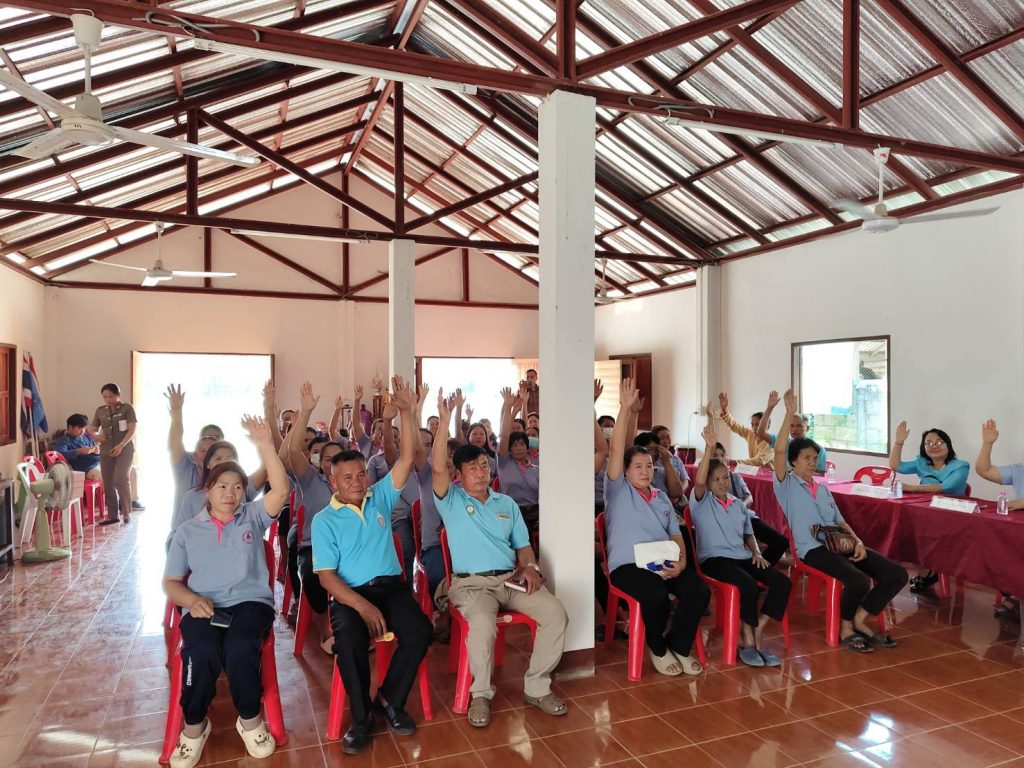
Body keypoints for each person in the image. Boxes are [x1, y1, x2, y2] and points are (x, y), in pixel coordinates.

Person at [431, 388, 568, 728]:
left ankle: (537, 685)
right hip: (472, 585)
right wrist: (445, 421)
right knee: (481, 624)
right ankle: (480, 694)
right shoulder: (451, 500)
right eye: (471, 468)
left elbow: (523, 546)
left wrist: (531, 567)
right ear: (458, 475)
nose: (480, 471)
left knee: (555, 612)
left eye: (483, 465)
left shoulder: (505, 504)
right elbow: (436, 468)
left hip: (510, 580)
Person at [312, 376, 433, 755]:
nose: (356, 482)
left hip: (391, 587)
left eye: (361, 474)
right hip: (350, 595)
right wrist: (362, 607)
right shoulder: (324, 520)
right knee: (349, 642)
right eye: (347, 477)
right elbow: (327, 578)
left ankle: (390, 699)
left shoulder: (379, 496)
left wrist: (408, 413)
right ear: (332, 480)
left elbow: (407, 458)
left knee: (420, 631)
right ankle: (361, 718)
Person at [163, 416, 288, 768]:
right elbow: (171, 582)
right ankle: (194, 726)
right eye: (222, 486)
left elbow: (280, 491)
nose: (230, 493)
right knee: (200, 651)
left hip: (251, 603)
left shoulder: (252, 516)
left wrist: (266, 445)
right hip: (203, 606)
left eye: (236, 486)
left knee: (240, 646)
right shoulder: (187, 532)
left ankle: (250, 719)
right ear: (207, 489)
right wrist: (192, 600)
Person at [773, 389, 906, 653]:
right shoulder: (785, 484)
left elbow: (840, 520)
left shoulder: (822, 488)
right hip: (812, 550)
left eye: (815, 458)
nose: (812, 463)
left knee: (896, 574)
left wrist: (857, 541)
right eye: (806, 458)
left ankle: (859, 619)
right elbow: (778, 450)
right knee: (858, 580)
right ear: (793, 461)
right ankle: (846, 629)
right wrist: (788, 414)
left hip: (839, 543)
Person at [604, 378, 709, 677]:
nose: (645, 471)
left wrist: (682, 562)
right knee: (656, 595)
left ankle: (680, 645)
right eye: (637, 466)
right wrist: (626, 409)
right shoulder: (618, 490)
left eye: (649, 466)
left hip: (663, 562)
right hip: (628, 566)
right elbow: (616, 450)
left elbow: (676, 534)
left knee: (698, 591)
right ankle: (658, 647)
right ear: (626, 471)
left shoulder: (661, 497)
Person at [691, 414, 791, 667]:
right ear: (708, 483)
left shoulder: (737, 504)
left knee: (782, 583)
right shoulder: (701, 501)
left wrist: (756, 552)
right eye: (717, 479)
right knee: (747, 585)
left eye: (725, 477)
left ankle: (758, 629)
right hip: (714, 559)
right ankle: (747, 639)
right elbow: (699, 480)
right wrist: (709, 449)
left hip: (742, 556)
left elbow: (748, 533)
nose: (723, 483)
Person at [286, 382, 346, 653]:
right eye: (327, 458)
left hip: (348, 546)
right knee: (312, 575)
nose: (332, 463)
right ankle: (324, 627)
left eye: (337, 458)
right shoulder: (310, 480)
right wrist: (306, 412)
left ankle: (358, 626)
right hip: (313, 547)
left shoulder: (353, 485)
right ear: (320, 462)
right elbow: (292, 452)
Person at [889, 420, 969, 593]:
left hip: (952, 516)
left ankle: (928, 571)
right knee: (904, 530)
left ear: (948, 445)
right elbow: (896, 466)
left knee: (924, 531)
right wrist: (898, 442)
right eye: (929, 443)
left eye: (939, 442)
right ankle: (923, 570)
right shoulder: (922, 462)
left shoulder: (961, 466)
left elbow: (944, 487)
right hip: (925, 512)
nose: (934, 446)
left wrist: (911, 487)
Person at [710, 442, 789, 566]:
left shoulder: (735, 476)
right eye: (716, 456)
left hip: (746, 517)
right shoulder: (708, 483)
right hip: (727, 523)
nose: (720, 458)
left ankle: (761, 567)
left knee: (781, 542)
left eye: (723, 455)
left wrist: (740, 507)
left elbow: (749, 497)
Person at [975, 419, 1022, 618]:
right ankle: (1014, 594)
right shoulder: (1019, 470)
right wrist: (987, 444)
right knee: (995, 546)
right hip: (1018, 533)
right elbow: (984, 470)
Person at [171, 441, 266, 535]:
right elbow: (179, 533)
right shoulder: (192, 496)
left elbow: (266, 468)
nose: (224, 463)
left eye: (230, 458)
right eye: (218, 459)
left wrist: (263, 442)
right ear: (207, 464)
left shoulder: (244, 487)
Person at [92, 383, 138, 526]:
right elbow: (93, 429)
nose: (107, 399)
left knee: (122, 479)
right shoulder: (100, 410)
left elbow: (132, 429)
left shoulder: (127, 409)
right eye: (105, 397)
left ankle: (126, 512)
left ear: (118, 395)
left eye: (110, 396)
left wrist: (121, 445)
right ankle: (112, 515)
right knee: (108, 482)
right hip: (106, 450)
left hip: (124, 449)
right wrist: (95, 436)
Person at [497, 387, 540, 532]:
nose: (519, 448)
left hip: (535, 512)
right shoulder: (505, 462)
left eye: (522, 444)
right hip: (511, 512)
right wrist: (509, 407)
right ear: (510, 448)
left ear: (527, 447)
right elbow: (504, 435)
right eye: (514, 445)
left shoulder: (536, 469)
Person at [717, 392, 774, 466]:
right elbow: (735, 426)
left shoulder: (771, 442)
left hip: (769, 473)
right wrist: (724, 409)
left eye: (757, 424)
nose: (754, 428)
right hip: (754, 471)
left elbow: (759, 461)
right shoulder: (751, 434)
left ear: (767, 426)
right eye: (752, 425)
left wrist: (736, 462)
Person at [53, 414, 101, 478]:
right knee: (105, 477)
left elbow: (95, 446)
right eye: (80, 428)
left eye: (84, 428)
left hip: (98, 464)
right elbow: (59, 454)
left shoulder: (85, 437)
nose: (83, 431)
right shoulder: (64, 440)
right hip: (85, 469)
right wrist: (79, 451)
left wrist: (96, 449)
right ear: (70, 427)